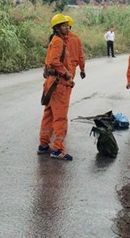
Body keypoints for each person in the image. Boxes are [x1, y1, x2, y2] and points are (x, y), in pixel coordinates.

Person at [39, 13, 74, 160]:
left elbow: (49, 62)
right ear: (58, 28)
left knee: (49, 114)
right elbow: (54, 61)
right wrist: (67, 75)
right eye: (64, 25)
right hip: (58, 84)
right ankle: (57, 149)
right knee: (60, 117)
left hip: (51, 83)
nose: (67, 27)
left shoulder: (54, 40)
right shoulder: (59, 41)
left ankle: (44, 144)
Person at [65, 15, 86, 81]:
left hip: (61, 68)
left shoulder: (57, 39)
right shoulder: (76, 38)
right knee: (67, 88)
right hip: (72, 68)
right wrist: (82, 69)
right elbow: (81, 56)